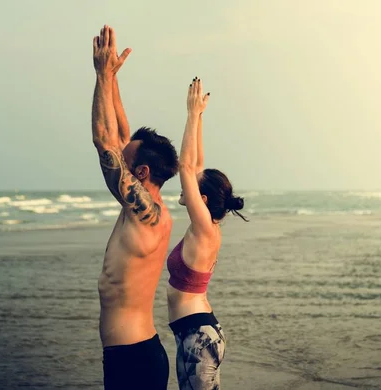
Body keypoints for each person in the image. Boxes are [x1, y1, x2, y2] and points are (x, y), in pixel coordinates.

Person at [92, 24, 177, 390]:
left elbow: (105, 143)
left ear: (140, 173)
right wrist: (111, 81)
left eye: (129, 166)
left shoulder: (143, 216)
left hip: (132, 358)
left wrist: (98, 75)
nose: (121, 167)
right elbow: (123, 141)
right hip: (138, 352)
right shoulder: (151, 209)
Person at [167, 77, 247, 390]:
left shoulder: (204, 228)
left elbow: (187, 168)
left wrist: (189, 113)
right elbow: (195, 166)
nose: (183, 184)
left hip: (197, 337)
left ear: (203, 201)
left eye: (192, 187)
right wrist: (199, 117)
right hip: (195, 333)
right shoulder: (206, 227)